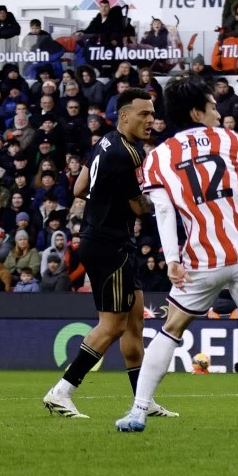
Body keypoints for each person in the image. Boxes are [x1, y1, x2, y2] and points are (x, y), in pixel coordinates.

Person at [115, 73, 238, 435]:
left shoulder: (159, 157)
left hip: (201, 259)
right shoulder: (233, 140)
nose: (219, 113)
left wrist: (172, 260)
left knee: (171, 329)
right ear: (197, 112)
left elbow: (164, 212)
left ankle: (138, 412)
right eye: (213, 107)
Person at [42, 88, 177, 420]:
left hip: (106, 240)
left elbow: (79, 189)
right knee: (113, 325)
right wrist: (167, 199)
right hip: (109, 245)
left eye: (152, 114)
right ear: (125, 115)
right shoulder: (127, 154)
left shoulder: (105, 142)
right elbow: (140, 207)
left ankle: (142, 401)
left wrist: (107, 199)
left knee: (134, 322)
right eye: (144, 114)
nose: (151, 120)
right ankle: (62, 391)